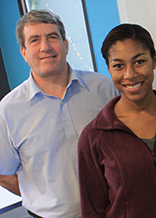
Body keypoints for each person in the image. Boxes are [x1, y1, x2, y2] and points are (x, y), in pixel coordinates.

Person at [0, 9, 118, 218]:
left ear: (65, 44)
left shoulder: (103, 88)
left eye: (52, 37)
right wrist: (42, 197)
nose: (45, 47)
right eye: (35, 40)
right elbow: (4, 174)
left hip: (109, 210)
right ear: (24, 52)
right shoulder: (8, 110)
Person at [78, 23, 156, 218]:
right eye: (119, 65)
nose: (130, 74)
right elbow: (93, 211)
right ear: (109, 69)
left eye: (139, 62)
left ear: (154, 60)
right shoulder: (94, 137)